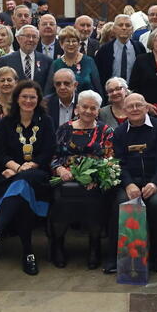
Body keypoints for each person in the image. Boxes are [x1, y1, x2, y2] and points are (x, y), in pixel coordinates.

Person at [0, 80, 55, 275]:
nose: (28, 100)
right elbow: (1, 153)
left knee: (23, 183)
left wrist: (28, 167)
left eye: (33, 97)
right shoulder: (6, 122)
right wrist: (16, 168)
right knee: (22, 192)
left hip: (37, 174)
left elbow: (48, 151)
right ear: (17, 98)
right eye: (24, 96)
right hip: (9, 174)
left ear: (38, 99)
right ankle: (28, 252)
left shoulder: (46, 121)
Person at [105, 93, 157, 277]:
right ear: (124, 110)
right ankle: (116, 257)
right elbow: (118, 162)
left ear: (146, 107)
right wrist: (128, 184)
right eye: (130, 106)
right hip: (130, 182)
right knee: (121, 204)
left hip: (155, 180)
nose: (135, 109)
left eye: (139, 105)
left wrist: (156, 182)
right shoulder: (119, 132)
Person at [50, 90, 115, 269]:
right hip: (64, 179)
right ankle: (58, 244)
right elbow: (53, 155)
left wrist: (96, 175)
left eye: (93, 108)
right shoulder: (64, 128)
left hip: (93, 182)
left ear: (98, 110)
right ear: (77, 108)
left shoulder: (105, 130)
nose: (88, 111)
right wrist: (60, 168)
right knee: (60, 200)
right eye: (84, 107)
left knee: (95, 200)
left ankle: (94, 246)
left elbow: (109, 158)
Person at [45, 27, 103, 95]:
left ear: (79, 44)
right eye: (68, 41)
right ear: (61, 44)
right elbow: (49, 91)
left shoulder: (89, 61)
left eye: (74, 41)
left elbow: (97, 87)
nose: (71, 44)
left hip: (86, 103)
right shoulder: (56, 64)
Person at [95, 14, 146, 87]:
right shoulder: (104, 50)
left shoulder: (139, 48)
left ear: (132, 29)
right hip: (111, 93)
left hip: (133, 93)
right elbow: (99, 75)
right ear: (114, 29)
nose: (124, 28)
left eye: (128, 25)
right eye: (120, 25)